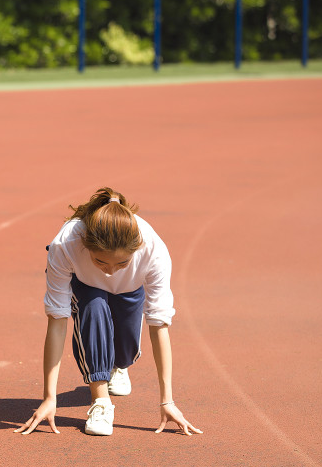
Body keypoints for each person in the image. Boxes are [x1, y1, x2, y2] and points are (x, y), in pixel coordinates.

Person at [16, 187, 202, 437]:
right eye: (100, 262)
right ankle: (101, 402)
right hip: (86, 286)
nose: (110, 271)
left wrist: (167, 401)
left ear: (136, 250)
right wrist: (50, 397)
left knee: (125, 350)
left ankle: (118, 366)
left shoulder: (154, 252)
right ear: (86, 247)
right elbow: (57, 319)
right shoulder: (66, 244)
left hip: (131, 288)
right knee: (93, 308)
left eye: (122, 263)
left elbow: (159, 324)